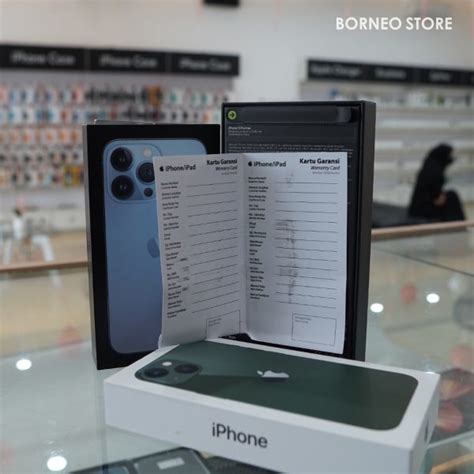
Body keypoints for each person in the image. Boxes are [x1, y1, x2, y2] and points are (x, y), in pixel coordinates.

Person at [408, 143, 466, 222]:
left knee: (451, 195)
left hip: (419, 207)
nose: (451, 158)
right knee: (452, 197)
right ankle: (458, 223)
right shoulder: (435, 170)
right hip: (422, 210)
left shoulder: (431, 166)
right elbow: (437, 198)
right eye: (449, 155)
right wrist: (439, 197)